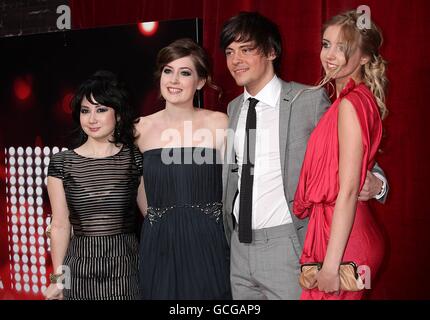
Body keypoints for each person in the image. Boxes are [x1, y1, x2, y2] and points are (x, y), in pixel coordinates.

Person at [220, 11, 389, 300]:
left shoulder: (308, 100)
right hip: (239, 248)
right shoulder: (233, 108)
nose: (236, 60)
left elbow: (352, 152)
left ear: (272, 51)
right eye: (230, 51)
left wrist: (378, 182)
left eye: (247, 49)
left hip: (288, 244)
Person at [293, 10, 388, 300]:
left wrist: (331, 266)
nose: (330, 55)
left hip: (344, 241)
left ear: (364, 57)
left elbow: (347, 190)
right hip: (340, 232)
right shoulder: (356, 99)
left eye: (343, 48)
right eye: (326, 44)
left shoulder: (350, 105)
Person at [135, 38, 232, 299]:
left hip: (210, 244)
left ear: (200, 81)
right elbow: (139, 189)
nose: (174, 80)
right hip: (159, 244)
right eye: (168, 71)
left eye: (185, 72)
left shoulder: (220, 123)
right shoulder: (139, 129)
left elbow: (235, 186)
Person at [43, 71, 142, 300]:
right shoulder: (62, 162)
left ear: (118, 115)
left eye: (101, 109)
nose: (91, 119)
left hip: (126, 272)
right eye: (85, 111)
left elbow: (151, 215)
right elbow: (59, 226)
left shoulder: (134, 159)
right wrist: (58, 280)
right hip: (79, 272)